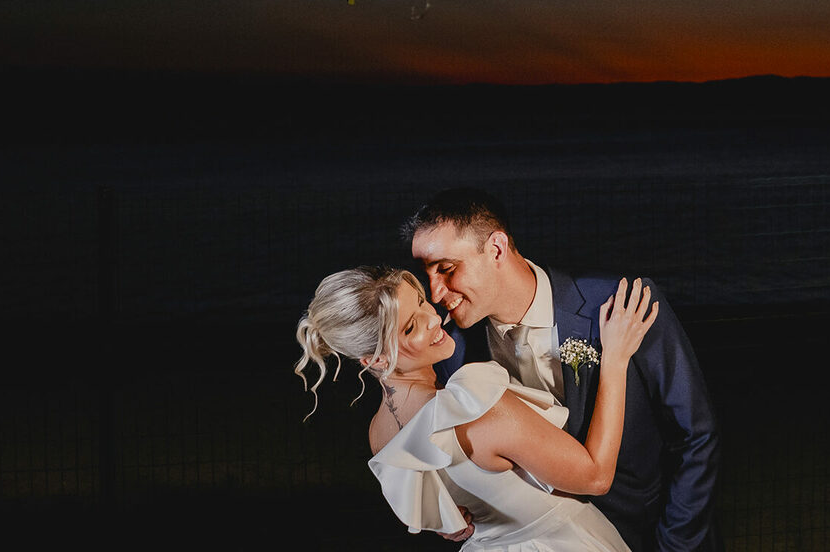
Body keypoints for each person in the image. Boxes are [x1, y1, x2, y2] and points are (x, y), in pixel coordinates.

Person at [402, 188, 722, 552]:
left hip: (645, 534)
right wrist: (446, 507)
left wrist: (677, 544)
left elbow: (695, 435)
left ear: (496, 249)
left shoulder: (621, 305)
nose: (435, 291)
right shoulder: (452, 351)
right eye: (426, 273)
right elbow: (442, 447)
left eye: (447, 269)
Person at [295, 265, 659, 550]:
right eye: (409, 328)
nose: (434, 319)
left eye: (421, 302)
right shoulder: (473, 406)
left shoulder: (381, 435)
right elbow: (594, 477)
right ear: (373, 360)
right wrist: (616, 358)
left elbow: (447, 512)